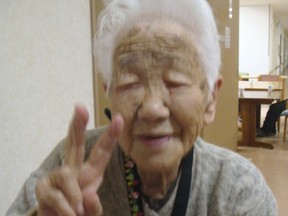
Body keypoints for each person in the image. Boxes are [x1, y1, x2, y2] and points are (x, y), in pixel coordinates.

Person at [7, 0, 277, 215]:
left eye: (175, 81)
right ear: (108, 93)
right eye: (130, 83)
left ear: (211, 100)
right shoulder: (73, 165)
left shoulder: (238, 190)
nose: (152, 109)